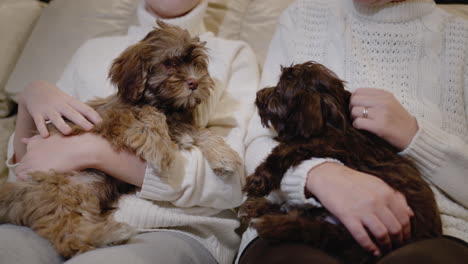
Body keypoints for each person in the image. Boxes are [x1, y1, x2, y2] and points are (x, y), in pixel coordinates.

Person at [1, 0, 259, 263]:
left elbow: (232, 182)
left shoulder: (236, 54)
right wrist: (27, 102)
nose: (190, 76)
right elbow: (30, 172)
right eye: (170, 66)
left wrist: (95, 152)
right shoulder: (91, 50)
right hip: (60, 212)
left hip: (170, 229)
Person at [237, 0, 468, 263]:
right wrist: (319, 177)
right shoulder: (302, 16)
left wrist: (416, 138)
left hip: (431, 234)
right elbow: (256, 142)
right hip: (294, 219)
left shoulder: (461, 38)